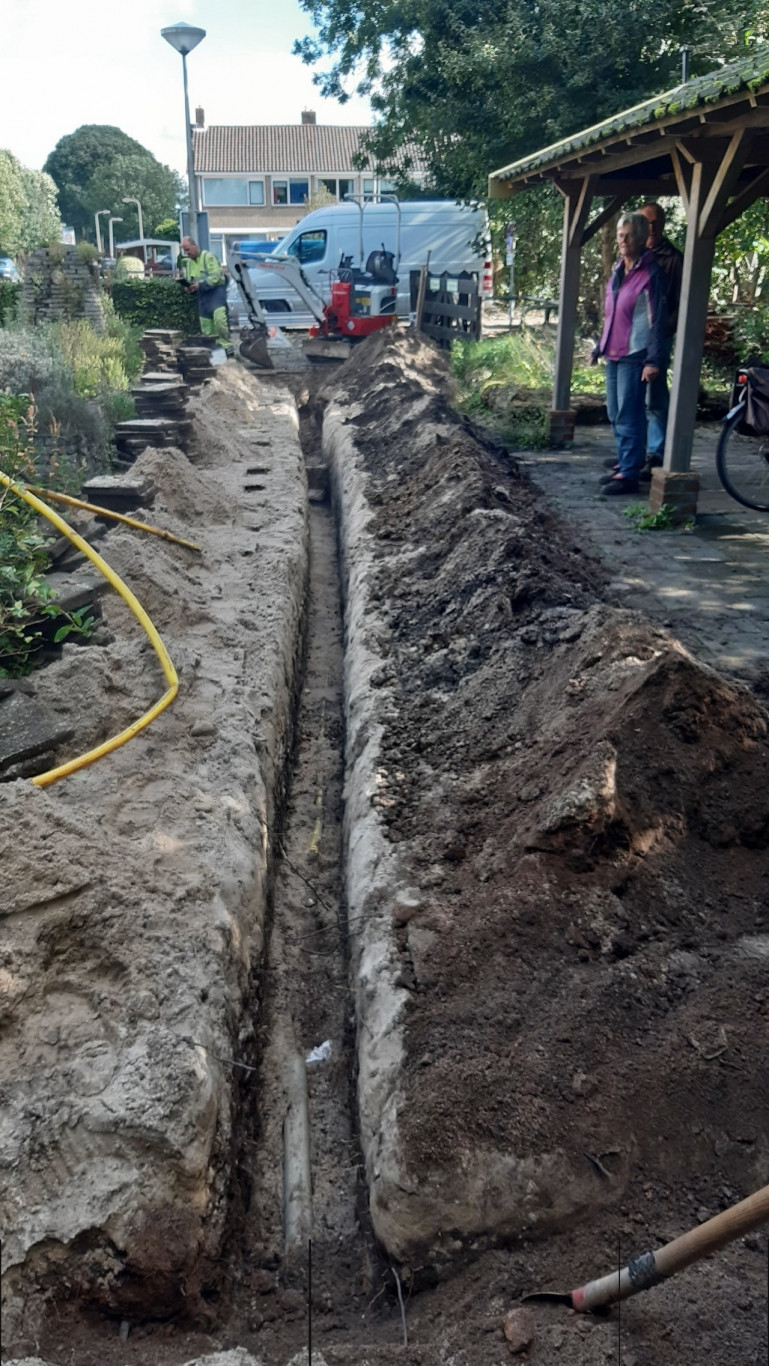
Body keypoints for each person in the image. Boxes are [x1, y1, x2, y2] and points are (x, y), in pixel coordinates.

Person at [594, 212, 666, 495]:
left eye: (628, 236)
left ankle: (629, 474)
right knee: (614, 411)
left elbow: (657, 320)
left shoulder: (650, 273)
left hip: (636, 353)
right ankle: (627, 461)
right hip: (613, 352)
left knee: (629, 414)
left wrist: (654, 360)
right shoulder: (618, 270)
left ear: (640, 239)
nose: (623, 241)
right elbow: (611, 313)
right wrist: (599, 346)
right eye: (620, 236)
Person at [639, 202, 684, 477]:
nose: (652, 228)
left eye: (657, 222)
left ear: (664, 224)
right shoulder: (633, 254)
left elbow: (681, 302)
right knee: (632, 398)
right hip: (632, 339)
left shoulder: (673, 258)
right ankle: (635, 452)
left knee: (654, 398)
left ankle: (656, 454)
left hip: (658, 338)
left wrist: (661, 333)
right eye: (647, 223)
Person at [180, 236, 231, 349]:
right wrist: (190, 288)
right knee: (206, 328)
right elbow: (191, 280)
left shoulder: (208, 257)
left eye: (187, 249)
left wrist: (200, 285)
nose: (186, 253)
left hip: (216, 293)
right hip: (202, 297)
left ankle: (227, 349)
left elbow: (215, 276)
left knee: (219, 321)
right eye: (184, 250)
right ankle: (212, 353)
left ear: (194, 245)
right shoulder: (189, 263)